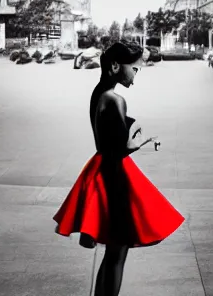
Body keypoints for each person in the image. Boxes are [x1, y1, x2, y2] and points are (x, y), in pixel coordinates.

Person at [53, 40, 184, 296]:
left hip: (100, 169)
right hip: (115, 178)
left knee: (113, 253)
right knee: (117, 254)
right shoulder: (116, 100)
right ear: (115, 65)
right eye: (134, 69)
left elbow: (105, 142)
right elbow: (119, 149)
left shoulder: (98, 93)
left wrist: (131, 138)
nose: (136, 76)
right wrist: (138, 141)